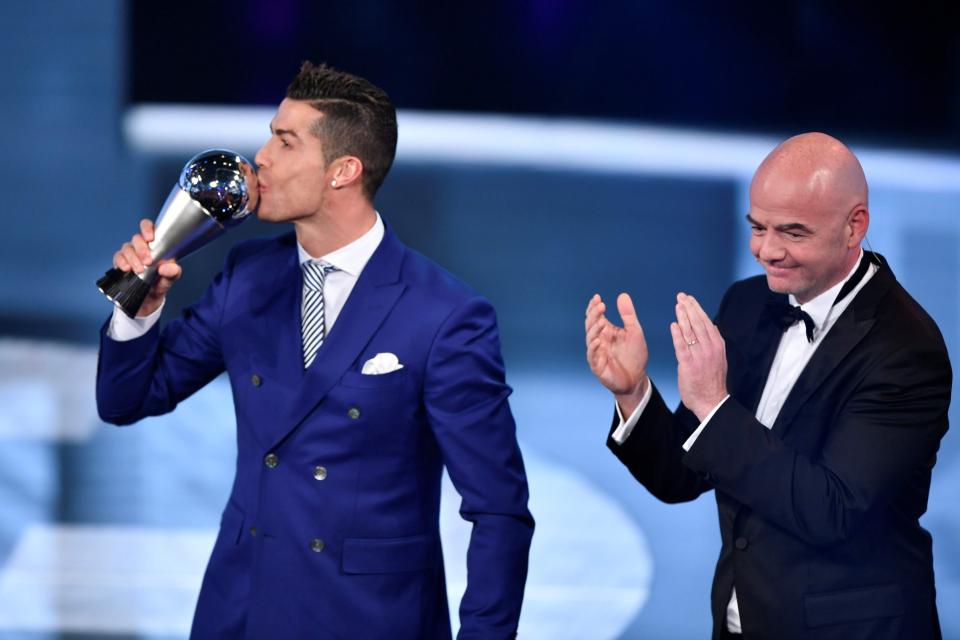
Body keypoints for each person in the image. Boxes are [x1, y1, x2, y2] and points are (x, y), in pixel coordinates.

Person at [97, 62, 534, 640]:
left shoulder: (446, 316)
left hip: (369, 619)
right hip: (242, 611)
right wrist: (140, 308)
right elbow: (126, 400)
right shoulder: (246, 277)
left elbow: (499, 510)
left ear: (343, 171)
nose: (261, 159)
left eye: (284, 142)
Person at [585, 132, 950, 639]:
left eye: (793, 233)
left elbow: (832, 510)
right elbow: (680, 475)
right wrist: (632, 393)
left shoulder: (906, 349)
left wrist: (714, 405)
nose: (766, 251)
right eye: (757, 227)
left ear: (855, 226)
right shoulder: (747, 305)